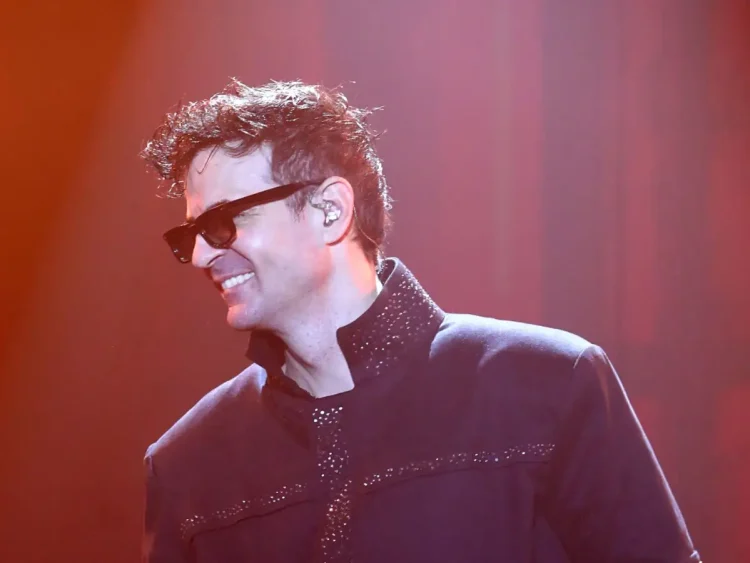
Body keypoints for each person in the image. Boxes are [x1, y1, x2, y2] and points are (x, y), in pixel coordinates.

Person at [139, 79, 701, 563]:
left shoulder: (546, 385)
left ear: (330, 210)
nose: (201, 256)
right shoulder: (188, 465)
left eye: (222, 223)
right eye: (190, 236)